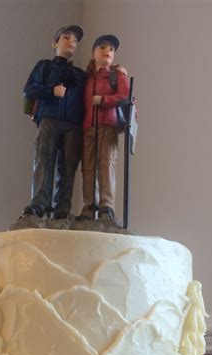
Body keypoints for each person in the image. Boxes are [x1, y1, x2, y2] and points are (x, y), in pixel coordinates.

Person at [22, 25, 85, 219]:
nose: (71, 42)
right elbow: (29, 89)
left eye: (74, 40)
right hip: (49, 118)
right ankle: (39, 203)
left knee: (68, 165)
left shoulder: (80, 74)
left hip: (73, 124)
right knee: (44, 159)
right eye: (66, 37)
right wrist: (51, 91)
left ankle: (62, 209)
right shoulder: (44, 67)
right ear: (55, 42)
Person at [77, 34, 130, 221]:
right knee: (88, 167)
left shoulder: (117, 76)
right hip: (88, 126)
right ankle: (89, 206)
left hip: (108, 124)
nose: (107, 51)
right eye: (102, 48)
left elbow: (125, 96)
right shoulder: (87, 79)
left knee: (107, 165)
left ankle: (106, 206)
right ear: (93, 53)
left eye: (111, 49)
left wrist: (105, 100)